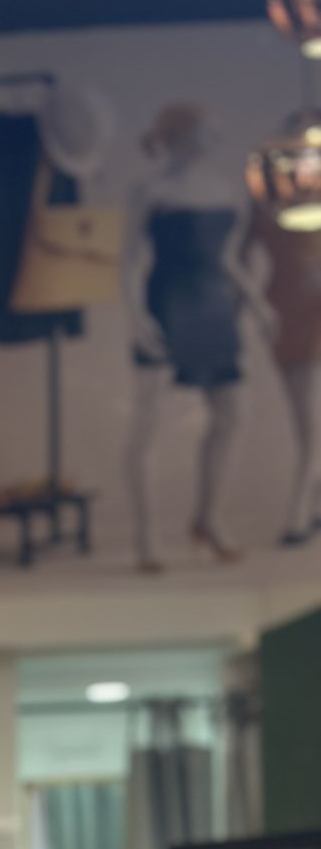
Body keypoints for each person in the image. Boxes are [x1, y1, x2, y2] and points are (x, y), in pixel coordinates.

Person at [122, 102, 276, 572]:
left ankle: (209, 518)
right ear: (182, 135)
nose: (216, 139)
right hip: (167, 302)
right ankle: (147, 537)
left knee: (232, 412)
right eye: (208, 131)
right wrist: (136, 317)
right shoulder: (150, 188)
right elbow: (129, 259)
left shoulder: (221, 187)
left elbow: (225, 259)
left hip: (213, 305)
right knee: (147, 421)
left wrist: (257, 302)